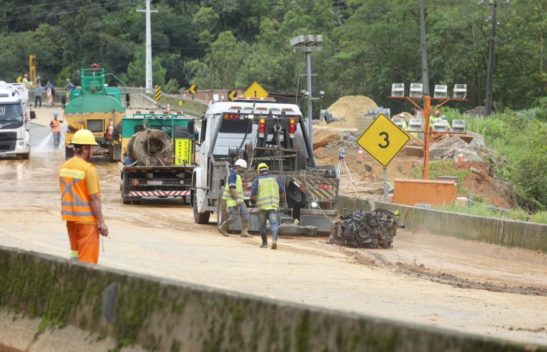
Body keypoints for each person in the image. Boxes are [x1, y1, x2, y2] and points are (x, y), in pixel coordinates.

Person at [58, 129, 109, 264]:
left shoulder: (64, 167)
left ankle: (74, 282)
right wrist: (102, 222)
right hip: (87, 223)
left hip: (70, 221)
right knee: (88, 261)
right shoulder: (88, 169)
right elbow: (94, 198)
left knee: (75, 256)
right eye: (92, 148)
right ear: (85, 148)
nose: (93, 151)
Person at [251, 162, 285, 250]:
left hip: (262, 207)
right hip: (273, 206)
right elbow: (282, 191)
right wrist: (281, 201)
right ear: (267, 170)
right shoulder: (275, 178)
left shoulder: (257, 180)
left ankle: (265, 243)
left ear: (259, 171)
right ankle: (274, 241)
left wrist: (254, 201)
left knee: (262, 226)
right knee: (274, 224)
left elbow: (253, 193)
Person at [218, 159, 251, 237]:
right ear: (238, 167)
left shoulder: (237, 175)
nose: (244, 169)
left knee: (246, 214)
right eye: (243, 168)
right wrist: (237, 199)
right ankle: (222, 228)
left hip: (239, 200)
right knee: (234, 217)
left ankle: (244, 232)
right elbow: (232, 189)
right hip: (232, 200)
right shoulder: (232, 176)